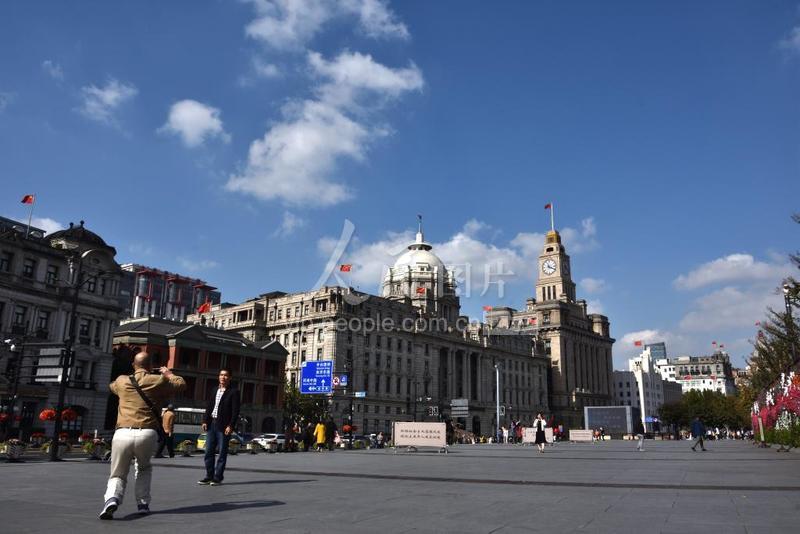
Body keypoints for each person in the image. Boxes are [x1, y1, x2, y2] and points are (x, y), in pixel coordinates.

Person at [99, 352, 185, 520]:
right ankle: (143, 504)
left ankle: (112, 499)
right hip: (146, 432)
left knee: (117, 473)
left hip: (122, 432)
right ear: (150, 364)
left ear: (134, 364)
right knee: (144, 468)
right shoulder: (157, 380)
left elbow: (111, 386)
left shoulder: (122, 381)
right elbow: (181, 384)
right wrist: (168, 374)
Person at [199, 369, 240, 486]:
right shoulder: (214, 390)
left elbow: (235, 411)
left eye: (226, 375)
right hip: (212, 423)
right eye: (221, 375)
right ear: (218, 377)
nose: (223, 377)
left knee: (222, 453)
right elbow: (209, 406)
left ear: (230, 378)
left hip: (223, 426)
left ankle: (218, 477)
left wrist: (231, 425)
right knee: (208, 451)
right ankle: (209, 476)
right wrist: (205, 420)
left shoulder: (234, 392)